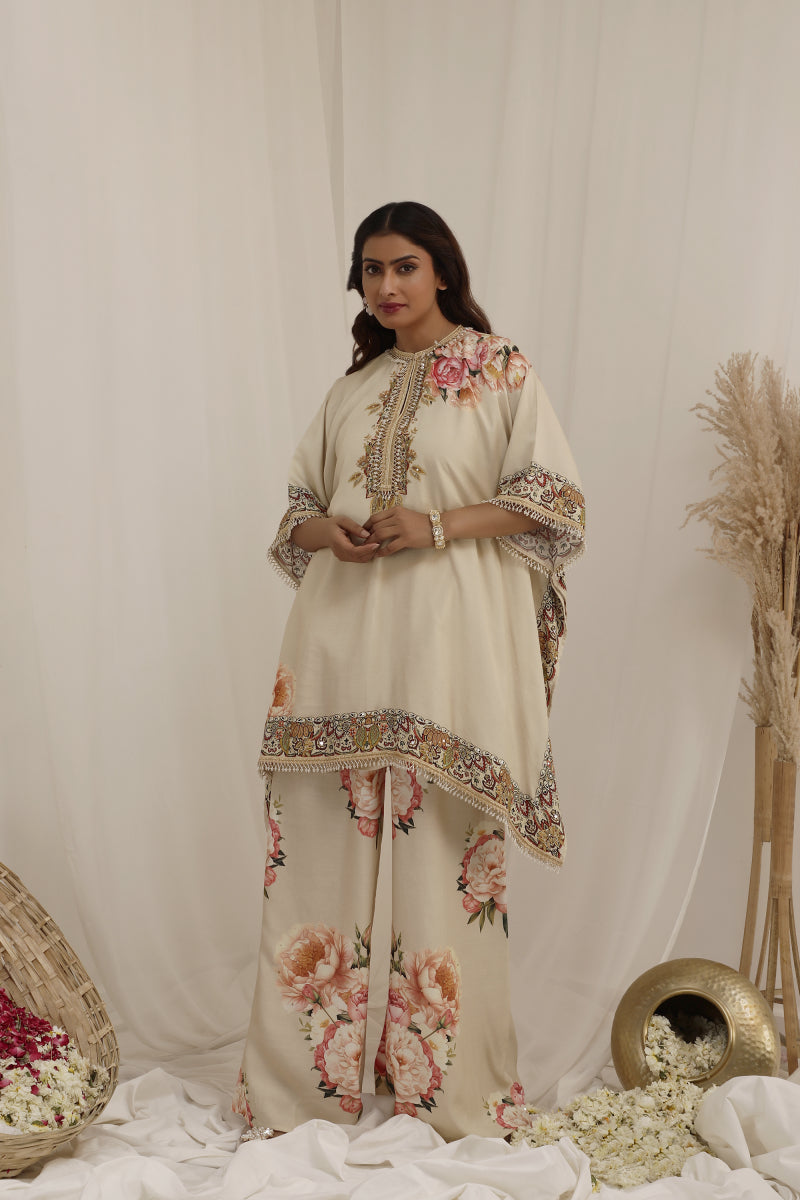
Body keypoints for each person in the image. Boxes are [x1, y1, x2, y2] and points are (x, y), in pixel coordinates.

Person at [233, 201, 585, 1142]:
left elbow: (552, 500)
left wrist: (437, 525)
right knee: (309, 870)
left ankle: (453, 1098)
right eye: (371, 270)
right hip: (338, 650)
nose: (386, 286)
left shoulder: (499, 368)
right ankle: (297, 1095)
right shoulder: (352, 388)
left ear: (442, 272)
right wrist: (328, 530)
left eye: (404, 267)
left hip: (448, 655)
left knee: (447, 875)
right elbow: (298, 510)